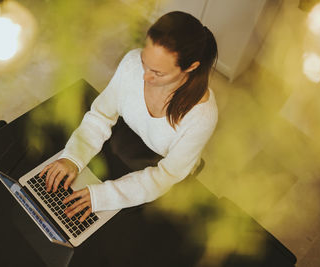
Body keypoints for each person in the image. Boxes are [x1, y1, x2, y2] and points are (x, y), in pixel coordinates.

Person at [39, 11, 218, 222]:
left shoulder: (201, 117)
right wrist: (72, 157)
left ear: (190, 67)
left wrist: (102, 196)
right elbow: (101, 116)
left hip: (163, 170)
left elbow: (166, 176)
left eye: (158, 73)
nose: (145, 76)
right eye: (145, 62)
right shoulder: (132, 63)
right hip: (128, 140)